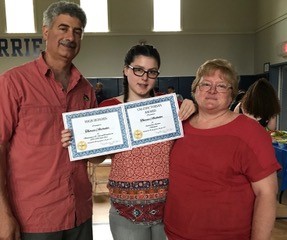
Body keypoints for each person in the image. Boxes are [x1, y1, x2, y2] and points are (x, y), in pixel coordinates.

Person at [61, 44, 195, 240]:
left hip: (169, 208)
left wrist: (193, 105)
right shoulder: (110, 108)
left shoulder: (169, 106)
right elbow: (98, 159)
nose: (144, 77)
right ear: (125, 70)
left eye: (151, 72)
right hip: (126, 212)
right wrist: (78, 141)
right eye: (138, 70)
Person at [0, 2, 95, 240]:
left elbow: (95, 153)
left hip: (79, 214)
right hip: (35, 218)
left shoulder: (86, 90)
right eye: (63, 28)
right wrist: (2, 214)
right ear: (45, 32)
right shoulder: (14, 83)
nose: (70, 37)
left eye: (77, 31)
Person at [164, 59, 281, 240]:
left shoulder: (250, 132)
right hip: (175, 234)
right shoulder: (178, 124)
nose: (211, 90)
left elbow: (266, 193)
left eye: (221, 86)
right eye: (205, 84)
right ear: (195, 90)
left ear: (232, 94)